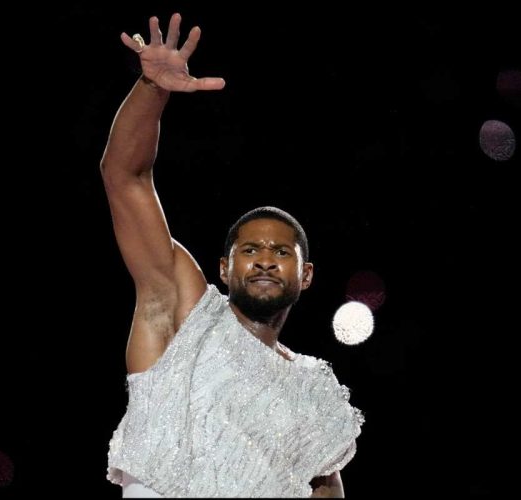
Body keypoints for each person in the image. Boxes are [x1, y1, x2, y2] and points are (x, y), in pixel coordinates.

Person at [101, 12, 363, 498]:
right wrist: (151, 89)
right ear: (224, 268)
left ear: (306, 275)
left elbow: (325, 489)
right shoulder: (181, 313)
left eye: (281, 251)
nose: (264, 259)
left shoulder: (314, 387)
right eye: (249, 249)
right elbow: (125, 178)